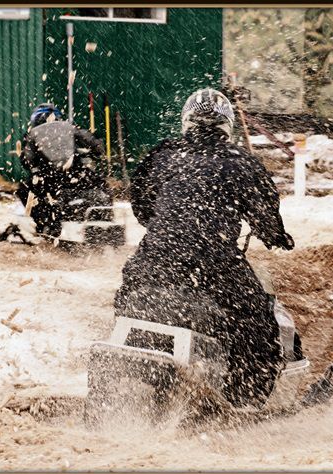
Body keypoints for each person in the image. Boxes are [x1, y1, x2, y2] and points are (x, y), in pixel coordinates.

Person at [114, 88, 295, 408]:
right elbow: (267, 219)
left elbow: (141, 205)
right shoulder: (242, 162)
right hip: (215, 267)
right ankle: (247, 397)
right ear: (226, 125)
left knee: (127, 298)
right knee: (258, 318)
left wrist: (167, 226)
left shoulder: (163, 154)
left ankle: (133, 366)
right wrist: (277, 236)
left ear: (187, 122)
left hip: (152, 262)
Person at [16, 103, 112, 238]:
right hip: (77, 174)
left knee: (23, 189)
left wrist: (35, 166)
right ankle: (107, 218)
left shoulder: (32, 134)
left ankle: (46, 225)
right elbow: (94, 145)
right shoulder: (70, 128)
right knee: (102, 185)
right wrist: (94, 150)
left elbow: (26, 160)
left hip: (49, 178)